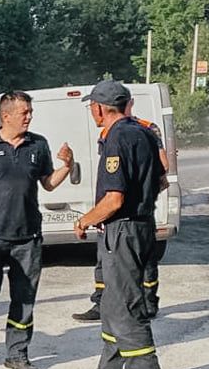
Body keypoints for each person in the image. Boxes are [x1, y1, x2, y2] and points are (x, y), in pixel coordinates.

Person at [0, 91, 74, 369]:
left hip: (27, 238)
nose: (29, 117)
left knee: (24, 298)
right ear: (5, 115)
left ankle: (17, 354)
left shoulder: (39, 145)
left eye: (30, 112)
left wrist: (67, 166)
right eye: (24, 113)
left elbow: (48, 184)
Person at [74, 80, 170, 369]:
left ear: (99, 108)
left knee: (125, 312)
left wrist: (85, 220)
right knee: (114, 305)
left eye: (92, 107)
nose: (91, 111)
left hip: (122, 231)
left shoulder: (116, 138)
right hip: (142, 227)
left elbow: (113, 199)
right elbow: (161, 178)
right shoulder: (144, 133)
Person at [73, 96, 170, 322]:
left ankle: (143, 306)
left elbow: (161, 168)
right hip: (126, 218)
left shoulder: (139, 130)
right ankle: (106, 304)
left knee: (134, 278)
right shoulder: (116, 133)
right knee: (107, 266)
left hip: (125, 220)